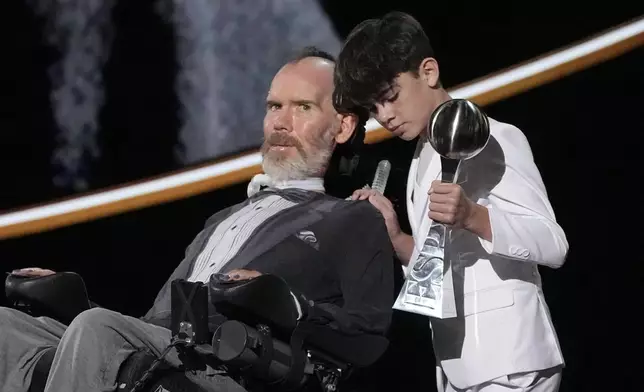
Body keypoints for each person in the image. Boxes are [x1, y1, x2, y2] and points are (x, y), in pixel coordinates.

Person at [0, 47, 394, 392]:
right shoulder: (222, 221)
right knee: (7, 327)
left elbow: (369, 334)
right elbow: (153, 324)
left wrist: (292, 305)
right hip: (173, 346)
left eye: (302, 107)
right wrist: (74, 303)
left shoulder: (351, 218)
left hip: (230, 367)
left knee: (97, 329)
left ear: (343, 127)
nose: (280, 123)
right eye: (274, 106)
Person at [333, 12, 569, 392]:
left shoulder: (494, 138)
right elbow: (440, 261)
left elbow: (553, 244)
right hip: (456, 365)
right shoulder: (418, 157)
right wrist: (396, 237)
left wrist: (473, 216)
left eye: (390, 98)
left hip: (510, 361)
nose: (385, 116)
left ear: (428, 72)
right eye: (374, 109)